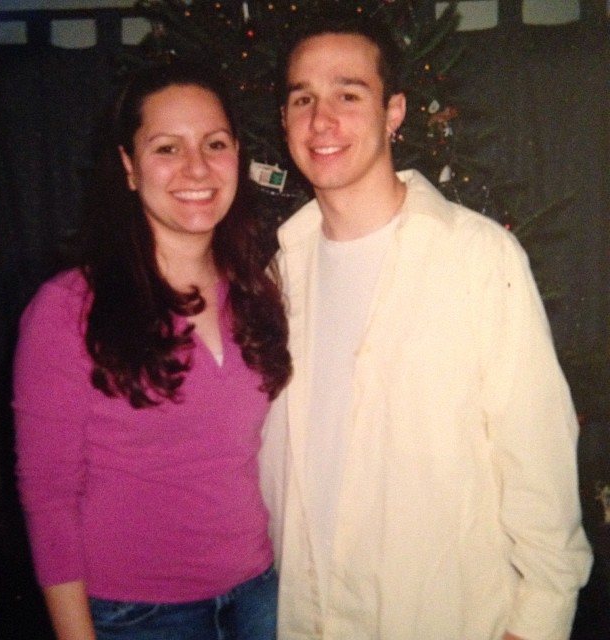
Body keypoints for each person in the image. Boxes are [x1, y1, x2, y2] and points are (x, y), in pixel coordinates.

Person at [258, 13, 592, 640]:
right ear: (284, 119)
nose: (321, 120)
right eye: (302, 99)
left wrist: (537, 624)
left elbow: (538, 461)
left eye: (348, 95)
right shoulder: (281, 273)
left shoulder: (477, 257)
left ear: (394, 112)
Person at [13, 60, 291, 640]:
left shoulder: (259, 290)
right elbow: (48, 496)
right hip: (138, 615)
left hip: (260, 593)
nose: (197, 167)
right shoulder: (67, 310)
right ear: (129, 168)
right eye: (167, 148)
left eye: (215, 143)